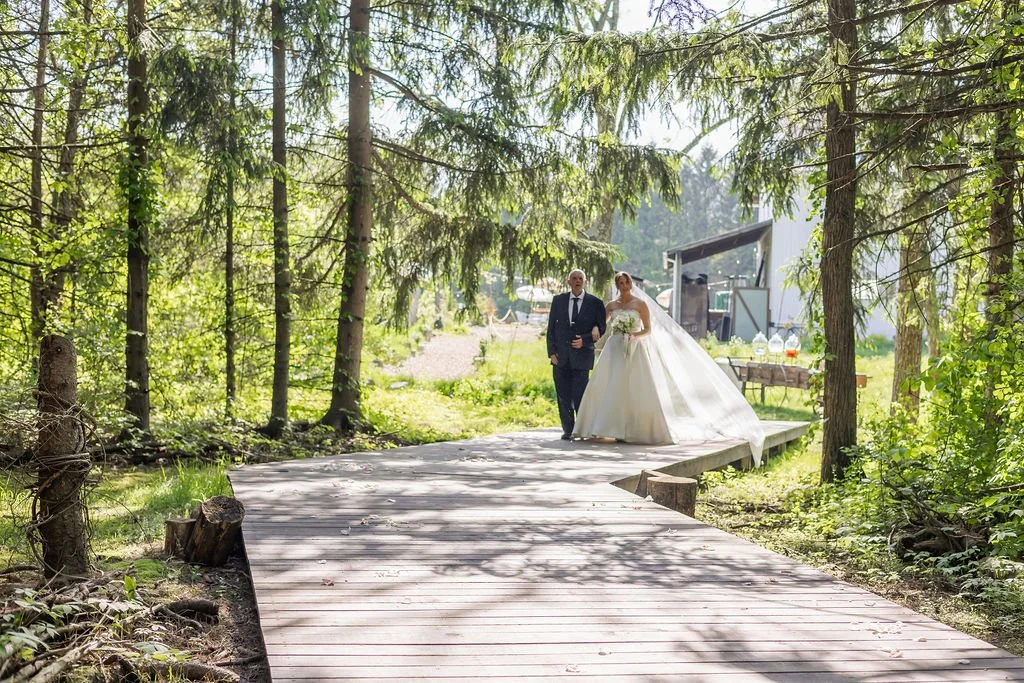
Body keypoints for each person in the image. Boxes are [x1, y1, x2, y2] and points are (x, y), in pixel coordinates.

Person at [572, 271, 765, 464]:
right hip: (614, 348)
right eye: (620, 283)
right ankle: (608, 427)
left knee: (635, 388)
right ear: (616, 285)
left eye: (626, 282)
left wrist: (634, 336)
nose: (623, 286)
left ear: (630, 284)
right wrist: (596, 328)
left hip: (634, 347)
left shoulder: (640, 304)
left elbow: (648, 329)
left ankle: (634, 429)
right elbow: (602, 324)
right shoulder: (612, 305)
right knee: (612, 386)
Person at [546, 270, 607, 440]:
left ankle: (582, 428)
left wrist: (586, 340)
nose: (577, 281)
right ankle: (568, 430)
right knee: (563, 395)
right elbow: (551, 329)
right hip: (561, 357)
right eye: (574, 278)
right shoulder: (558, 301)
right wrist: (551, 353)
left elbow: (601, 327)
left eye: (580, 279)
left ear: (585, 282)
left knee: (580, 394)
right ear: (568, 281)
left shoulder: (595, 303)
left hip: (582, 357)